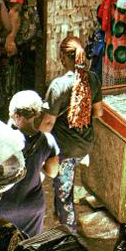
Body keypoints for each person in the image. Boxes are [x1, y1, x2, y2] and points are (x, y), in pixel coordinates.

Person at [41, 35, 104, 231]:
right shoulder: (92, 78)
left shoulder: (58, 86)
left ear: (63, 57)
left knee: (64, 191)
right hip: (84, 144)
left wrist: (36, 142)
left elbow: (48, 122)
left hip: (65, 148)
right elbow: (98, 112)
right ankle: (60, 216)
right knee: (64, 185)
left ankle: (69, 233)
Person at [0, 90, 59, 237]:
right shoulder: (47, 140)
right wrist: (36, 165)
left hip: (4, 206)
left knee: (1, 249)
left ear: (17, 116)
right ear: (36, 114)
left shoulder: (3, 138)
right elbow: (53, 172)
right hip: (32, 206)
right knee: (28, 247)